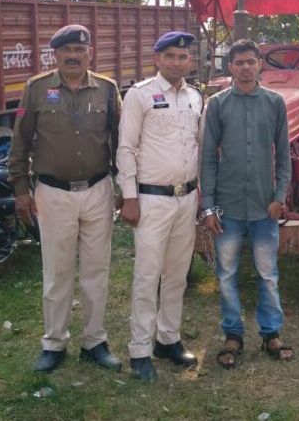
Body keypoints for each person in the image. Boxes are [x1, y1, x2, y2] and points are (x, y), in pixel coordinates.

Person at [9, 24, 122, 373]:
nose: (73, 55)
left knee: (96, 270)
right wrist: (21, 190)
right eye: (66, 50)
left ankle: (94, 341)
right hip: (53, 192)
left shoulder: (107, 89)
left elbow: (121, 142)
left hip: (98, 190)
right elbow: (20, 142)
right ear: (55, 54)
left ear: (90, 53)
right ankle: (54, 343)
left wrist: (124, 187)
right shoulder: (36, 89)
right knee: (57, 271)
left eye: (80, 50)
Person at [200, 39, 293, 369]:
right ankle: (233, 334)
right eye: (239, 62)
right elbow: (207, 158)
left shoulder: (274, 103)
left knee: (267, 274)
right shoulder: (218, 105)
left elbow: (284, 156)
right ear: (230, 67)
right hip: (228, 207)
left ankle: (271, 333)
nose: (245, 67)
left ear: (259, 65)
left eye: (251, 61)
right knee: (227, 274)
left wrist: (279, 197)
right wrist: (208, 207)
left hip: (264, 206)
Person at [117, 31, 202, 382]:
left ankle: (168, 338)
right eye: (169, 56)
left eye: (182, 57)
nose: (176, 62)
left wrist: (200, 193)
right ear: (156, 58)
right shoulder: (140, 95)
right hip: (151, 199)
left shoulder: (195, 97)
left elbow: (196, 147)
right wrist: (129, 197)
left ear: (189, 61)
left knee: (177, 274)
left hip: (187, 197)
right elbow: (126, 148)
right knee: (147, 275)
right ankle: (139, 349)